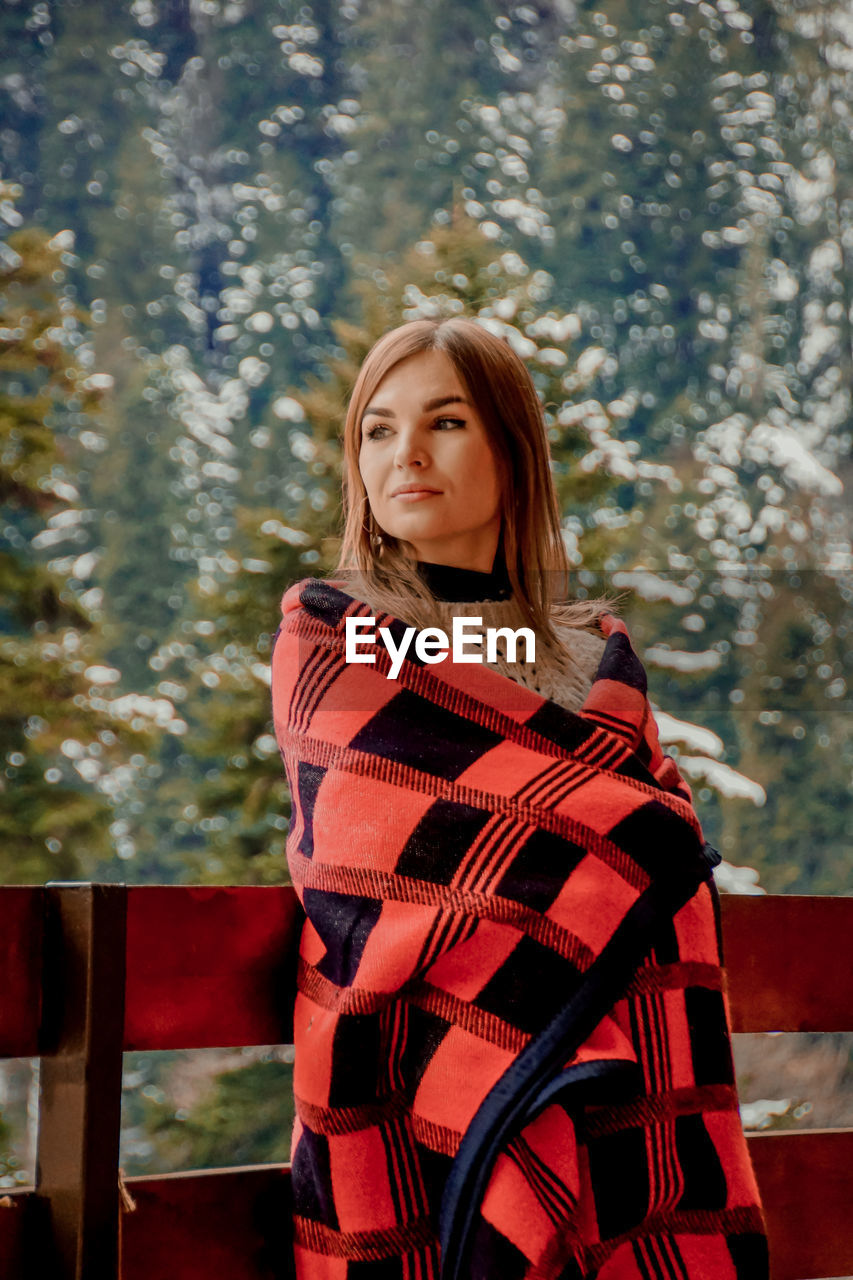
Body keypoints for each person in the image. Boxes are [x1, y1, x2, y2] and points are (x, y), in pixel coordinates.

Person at [270, 317, 768, 1279]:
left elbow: (613, 848)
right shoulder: (337, 642)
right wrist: (621, 839)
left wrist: (613, 845)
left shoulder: (592, 658)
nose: (404, 454)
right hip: (422, 1076)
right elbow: (369, 848)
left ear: (512, 448)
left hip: (618, 1081)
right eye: (376, 430)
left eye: (445, 422)